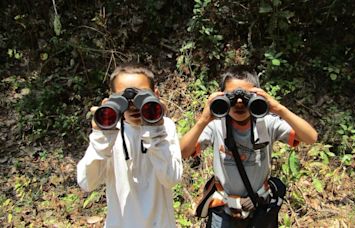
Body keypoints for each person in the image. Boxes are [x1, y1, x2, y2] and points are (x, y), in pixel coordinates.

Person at [180, 65, 318, 228]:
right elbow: (182, 152)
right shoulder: (216, 125)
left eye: (247, 97)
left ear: (258, 95)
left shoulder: (267, 123)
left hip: (258, 207)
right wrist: (203, 120)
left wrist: (279, 109)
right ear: (222, 96)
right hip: (224, 209)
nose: (239, 102)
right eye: (231, 97)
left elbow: (311, 138)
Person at [77, 63, 183, 228]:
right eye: (124, 98)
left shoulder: (165, 127)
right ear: (111, 99)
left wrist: (154, 129)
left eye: (141, 95)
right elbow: (86, 183)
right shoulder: (110, 133)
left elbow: (171, 179)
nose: (133, 104)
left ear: (156, 95)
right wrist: (101, 135)